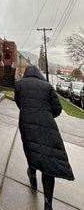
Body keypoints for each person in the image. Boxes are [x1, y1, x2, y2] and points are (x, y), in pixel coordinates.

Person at [15, 65, 74, 210]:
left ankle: (32, 174)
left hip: (26, 123)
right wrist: (45, 114)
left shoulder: (20, 84)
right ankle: (48, 204)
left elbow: (19, 102)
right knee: (48, 161)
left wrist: (29, 112)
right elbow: (57, 108)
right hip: (47, 126)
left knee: (31, 150)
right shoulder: (47, 86)